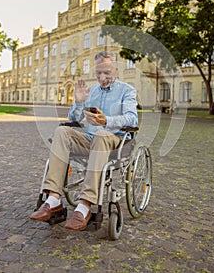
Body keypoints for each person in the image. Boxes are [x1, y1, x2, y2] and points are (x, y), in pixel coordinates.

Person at [30, 51, 138, 231]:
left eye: (107, 72)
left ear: (116, 70)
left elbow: (132, 119)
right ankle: (53, 199)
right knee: (62, 131)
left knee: (102, 134)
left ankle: (84, 206)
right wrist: (79, 102)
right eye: (98, 73)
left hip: (113, 141)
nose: (102, 77)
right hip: (88, 140)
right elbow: (75, 118)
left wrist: (107, 121)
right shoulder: (91, 91)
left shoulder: (127, 90)